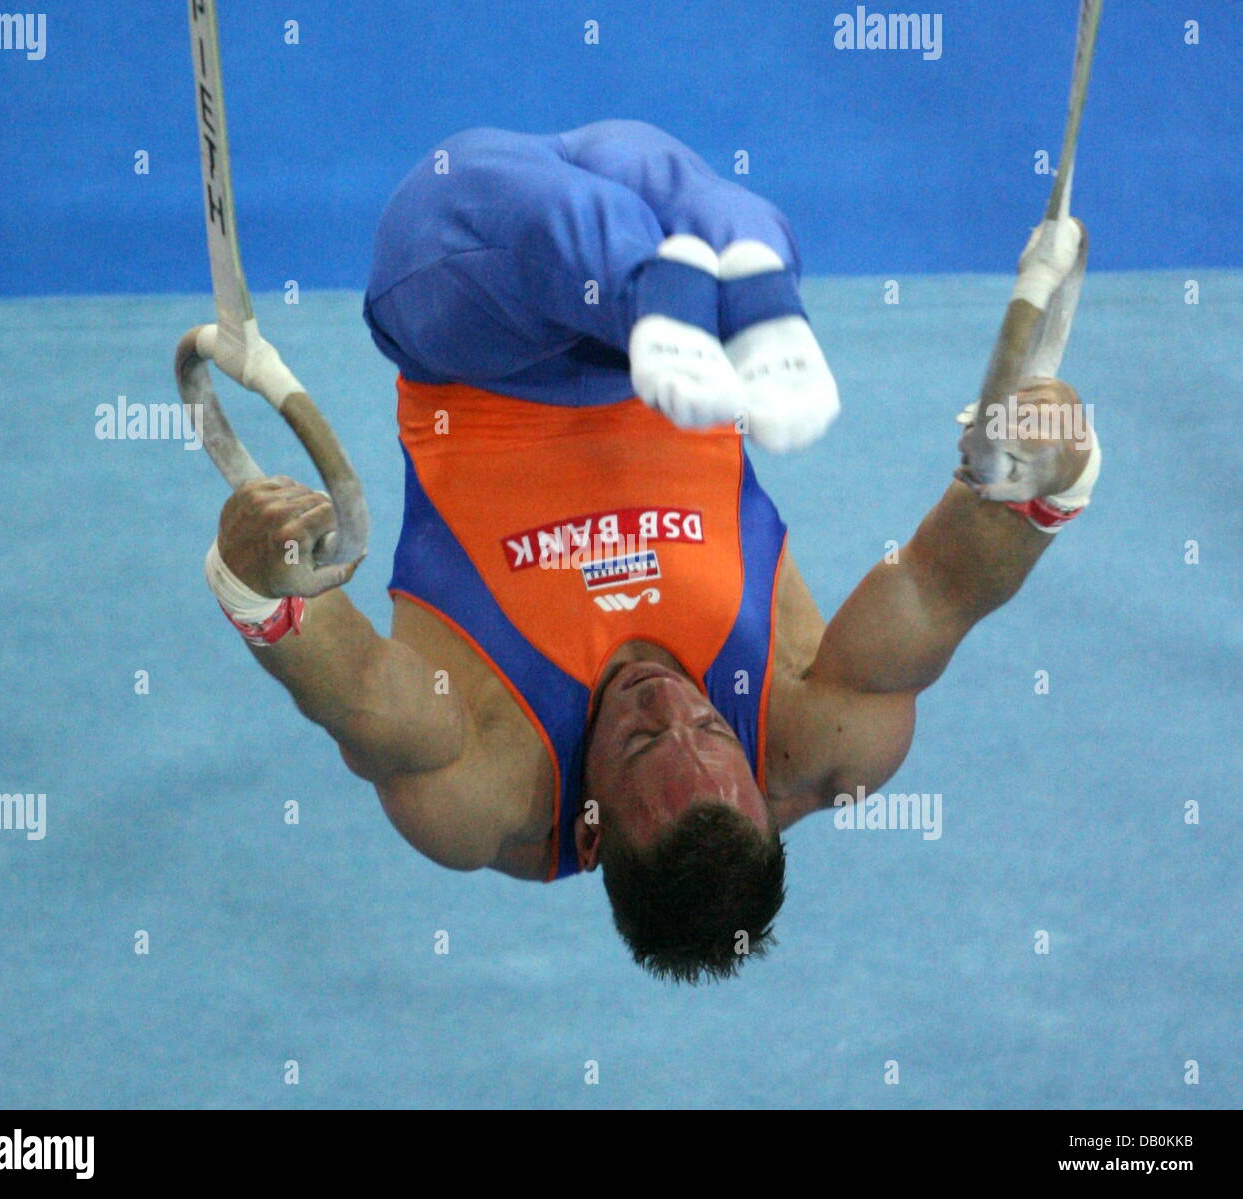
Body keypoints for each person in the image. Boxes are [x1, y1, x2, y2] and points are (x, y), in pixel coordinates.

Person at [203, 120, 1100, 983]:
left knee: (575, 235)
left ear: (590, 831)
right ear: (758, 788)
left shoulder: (486, 786)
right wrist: (1042, 482)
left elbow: (356, 692)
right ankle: (729, 297)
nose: (669, 701)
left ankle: (674, 297)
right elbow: (943, 590)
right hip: (669, 338)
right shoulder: (815, 735)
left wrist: (262, 588)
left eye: (638, 746)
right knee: (727, 224)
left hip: (477, 331)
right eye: (712, 726)